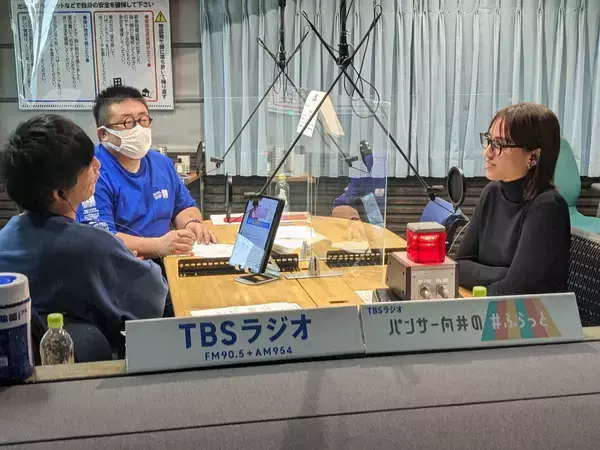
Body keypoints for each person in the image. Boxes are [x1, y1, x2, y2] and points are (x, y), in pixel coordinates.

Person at [0, 115, 167, 354]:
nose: (98, 165)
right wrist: (122, 259)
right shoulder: (93, 247)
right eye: (88, 165)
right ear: (60, 193)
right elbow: (153, 298)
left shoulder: (6, 238)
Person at [76, 85, 216, 261]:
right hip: (121, 267)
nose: (139, 129)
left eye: (143, 120)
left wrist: (191, 224)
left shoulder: (161, 163)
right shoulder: (93, 172)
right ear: (104, 133)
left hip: (166, 260)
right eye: (128, 122)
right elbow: (101, 239)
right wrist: (158, 246)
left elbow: (184, 206)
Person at [456, 103, 570, 296]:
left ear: (533, 157)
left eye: (499, 145)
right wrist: (506, 274)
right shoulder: (492, 193)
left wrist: (500, 281)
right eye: (489, 141)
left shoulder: (548, 207)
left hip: (534, 313)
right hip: (493, 306)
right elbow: (459, 266)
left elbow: (514, 290)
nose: (488, 153)